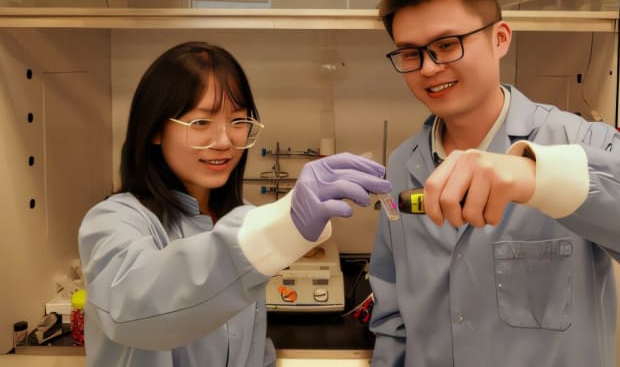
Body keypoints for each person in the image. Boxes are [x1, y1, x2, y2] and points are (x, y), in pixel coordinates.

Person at [368, 0, 620, 366]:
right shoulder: (402, 167)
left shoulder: (581, 144)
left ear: (500, 37)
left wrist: (540, 178)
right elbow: (393, 317)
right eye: (411, 53)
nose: (429, 68)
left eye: (447, 45)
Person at [78, 41, 390, 367]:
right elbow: (135, 309)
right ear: (155, 129)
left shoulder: (238, 216)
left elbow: (253, 349)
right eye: (201, 123)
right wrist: (279, 225)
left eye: (238, 121)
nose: (225, 141)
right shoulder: (112, 220)